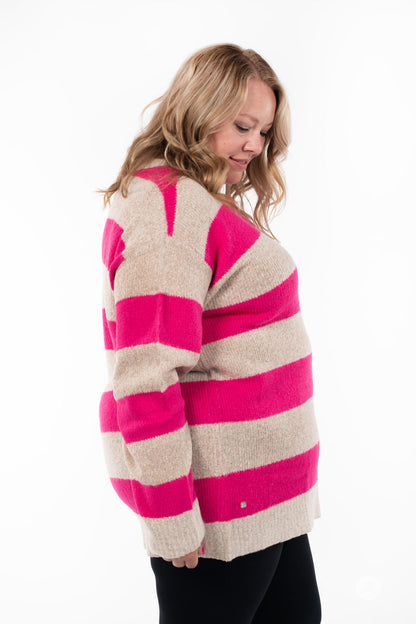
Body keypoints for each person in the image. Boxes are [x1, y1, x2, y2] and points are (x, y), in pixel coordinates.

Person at [97, 43, 322, 623]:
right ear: (197, 110)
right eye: (242, 126)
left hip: (265, 496)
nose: (255, 146)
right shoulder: (168, 210)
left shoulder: (192, 200)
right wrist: (172, 517)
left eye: (263, 132)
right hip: (220, 508)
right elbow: (145, 376)